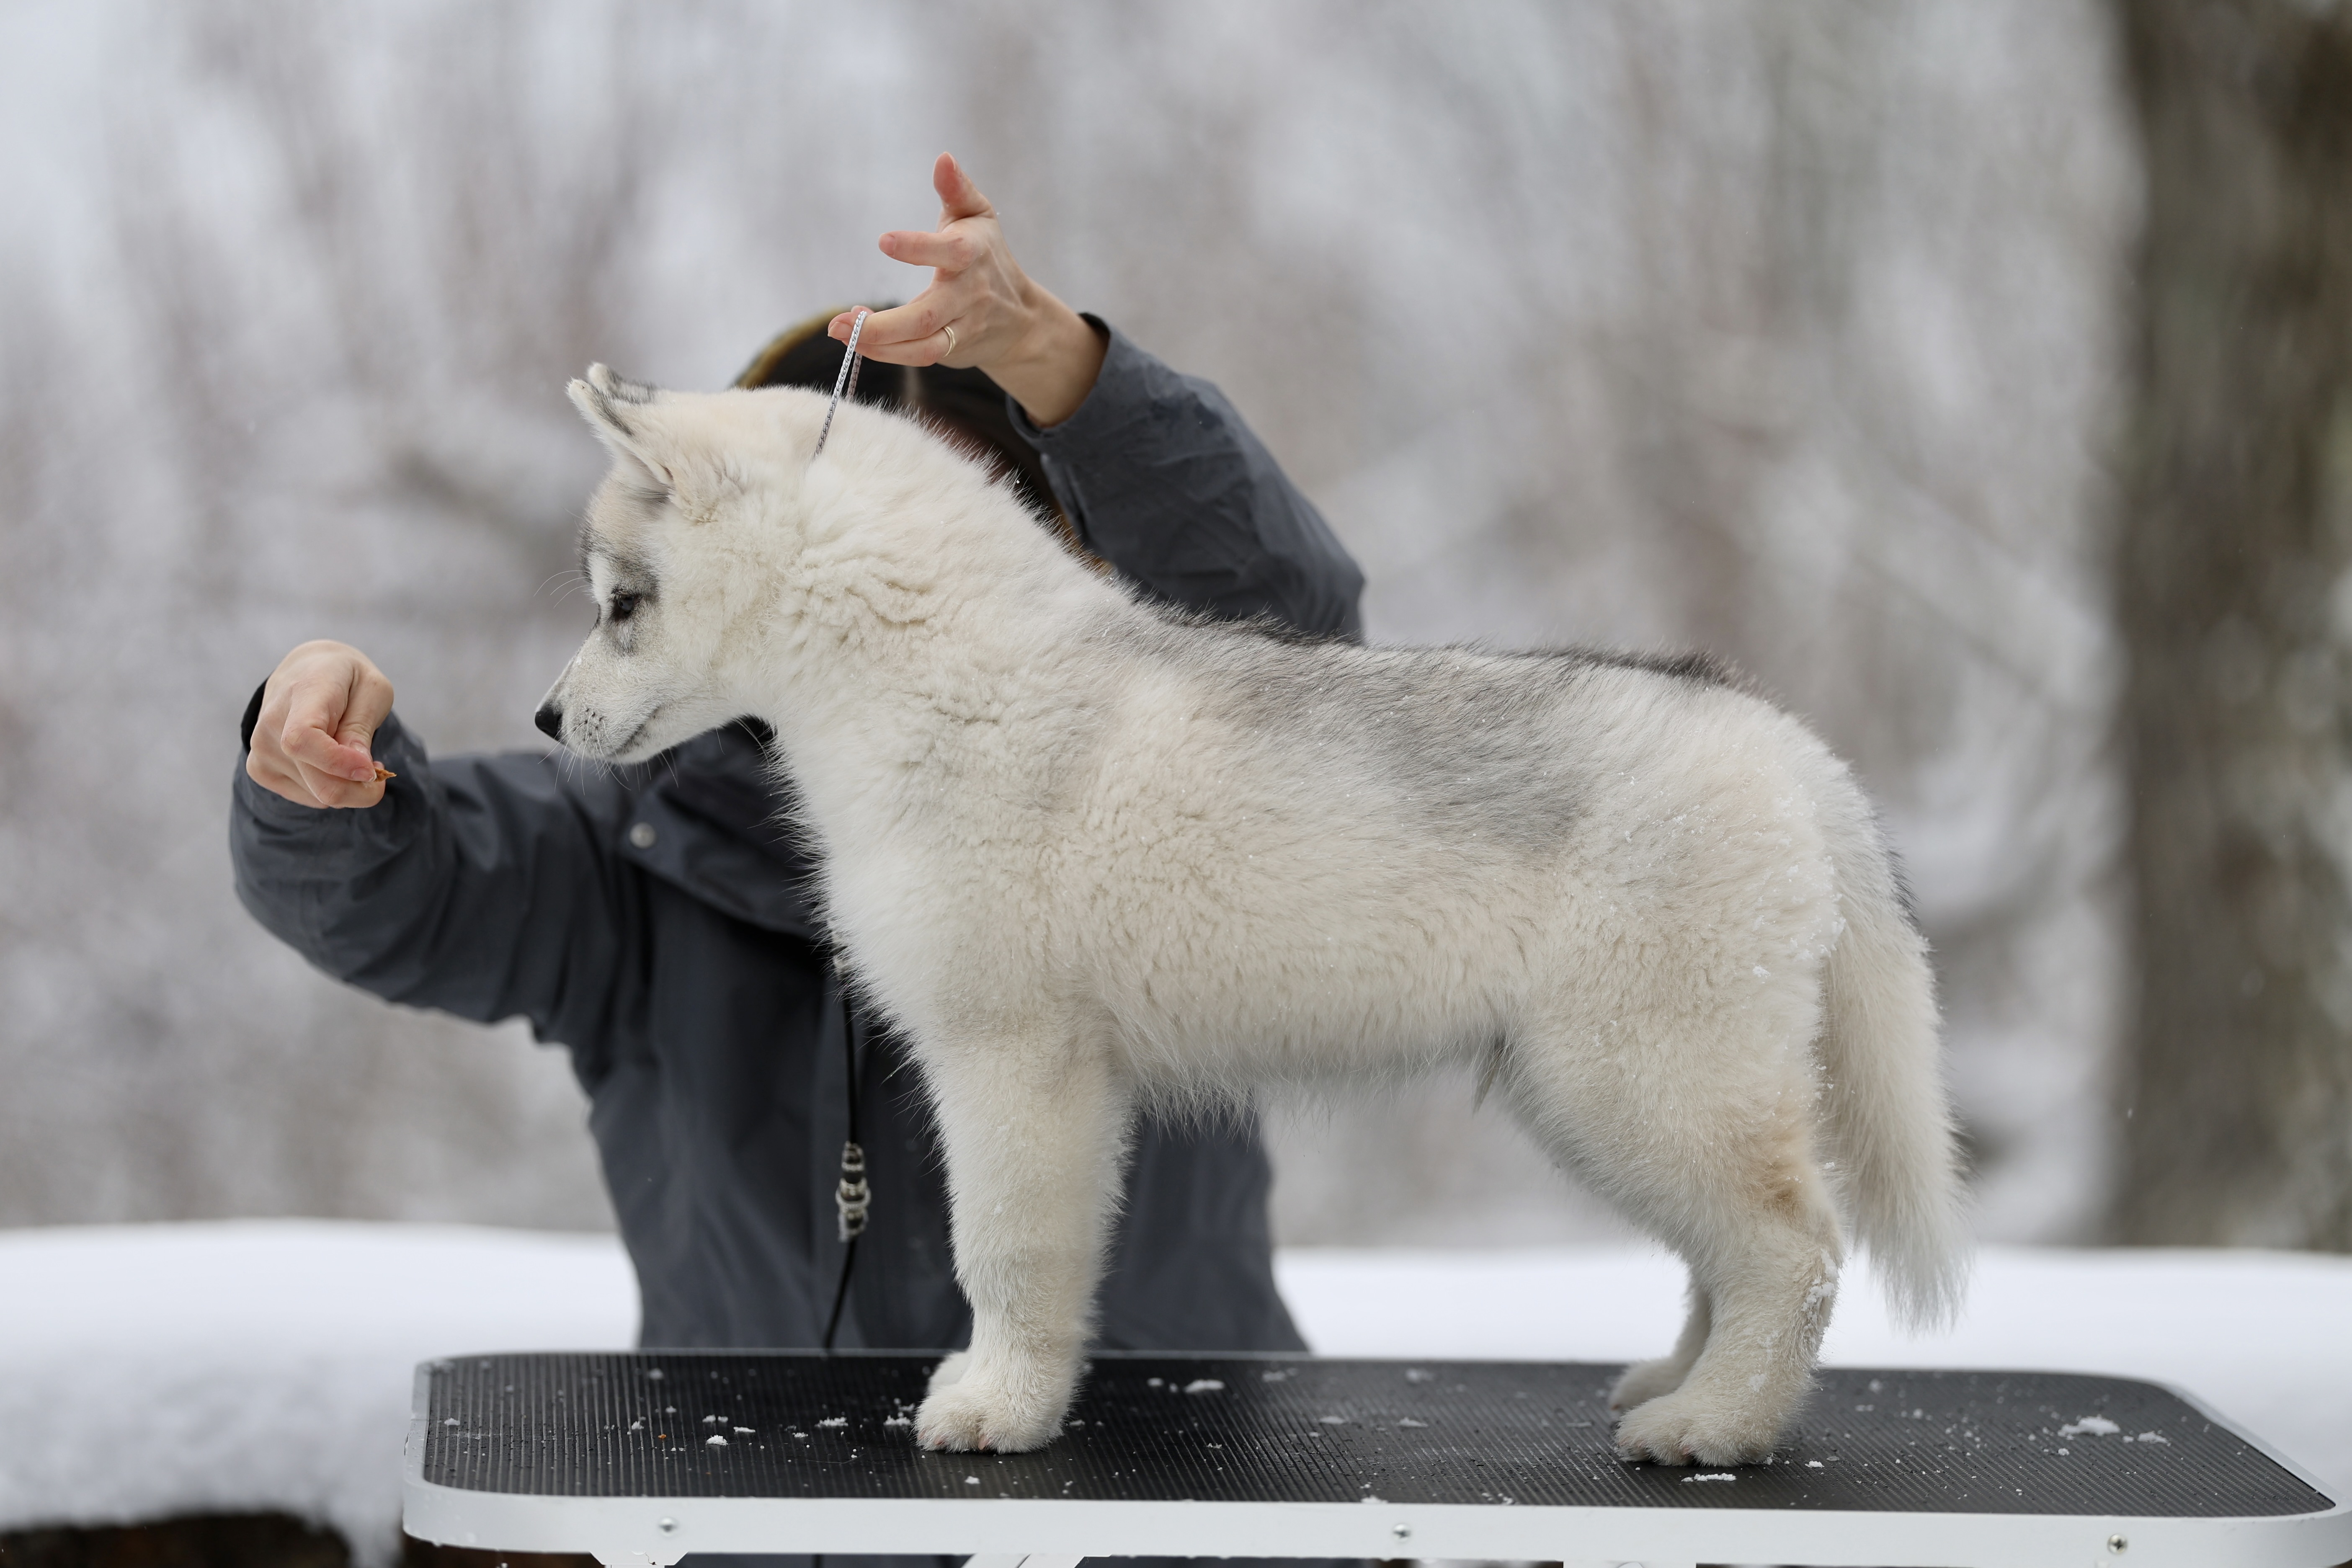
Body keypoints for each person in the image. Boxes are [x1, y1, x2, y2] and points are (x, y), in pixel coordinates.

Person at [231, 155, 1364, 1568]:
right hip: (758, 1530)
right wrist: (318, 774)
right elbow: (400, 896)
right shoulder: (637, 842)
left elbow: (1294, 625)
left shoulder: (1168, 772)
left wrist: (1073, 373)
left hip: (1177, 1516)